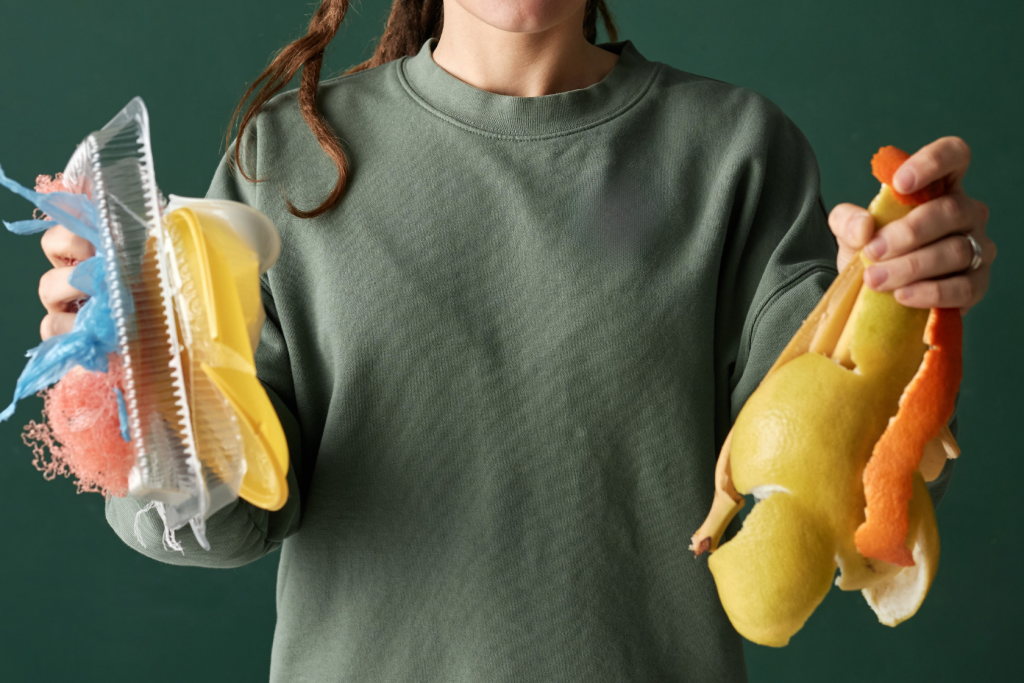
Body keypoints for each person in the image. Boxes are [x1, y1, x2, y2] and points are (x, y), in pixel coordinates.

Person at [36, 1, 995, 681]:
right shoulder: (286, 160)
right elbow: (230, 513)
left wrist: (907, 300)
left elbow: (837, 483)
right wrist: (124, 381)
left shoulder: (737, 152)